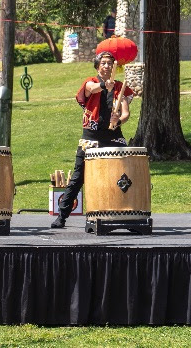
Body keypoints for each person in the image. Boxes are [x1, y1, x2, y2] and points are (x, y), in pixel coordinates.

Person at [51, 51, 134, 229]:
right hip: (91, 138)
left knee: (122, 174)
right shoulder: (92, 82)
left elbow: (126, 113)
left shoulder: (120, 87)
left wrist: (118, 120)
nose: (107, 65)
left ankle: (124, 212)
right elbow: (91, 89)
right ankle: (62, 216)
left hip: (114, 137)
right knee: (78, 177)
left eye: (110, 63)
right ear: (97, 66)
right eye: (103, 63)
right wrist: (105, 85)